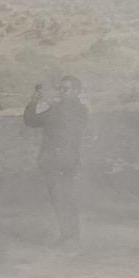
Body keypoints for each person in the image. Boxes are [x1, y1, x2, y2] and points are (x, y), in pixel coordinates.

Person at [23, 74, 88, 243]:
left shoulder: (73, 110)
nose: (61, 92)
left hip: (63, 160)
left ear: (76, 91)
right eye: (60, 88)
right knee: (60, 198)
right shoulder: (61, 108)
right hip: (57, 160)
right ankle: (69, 235)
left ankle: (70, 236)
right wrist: (35, 102)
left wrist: (40, 102)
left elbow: (36, 119)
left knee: (63, 197)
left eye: (65, 89)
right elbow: (31, 121)